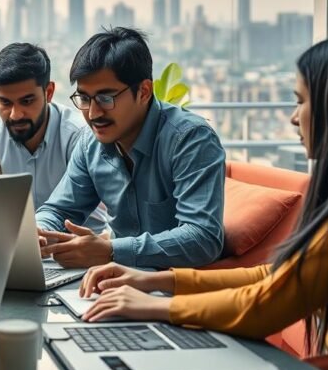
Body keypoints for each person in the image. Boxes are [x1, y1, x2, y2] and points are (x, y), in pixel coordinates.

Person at [77, 27, 328, 355]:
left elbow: (266, 305)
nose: (294, 118)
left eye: (302, 101)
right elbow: (275, 275)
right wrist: (153, 281)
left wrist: (155, 307)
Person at [36, 27, 226, 269]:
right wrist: (39, 230)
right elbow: (59, 209)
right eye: (84, 99)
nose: (93, 113)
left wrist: (112, 251)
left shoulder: (189, 139)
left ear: (144, 92)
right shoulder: (90, 144)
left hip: (176, 289)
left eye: (106, 98)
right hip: (117, 282)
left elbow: (202, 238)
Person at [0, 43, 86, 205]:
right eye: (5, 102)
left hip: (67, 231)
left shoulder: (77, 136)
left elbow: (90, 220)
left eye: (27, 101)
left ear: (48, 93)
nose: (16, 114)